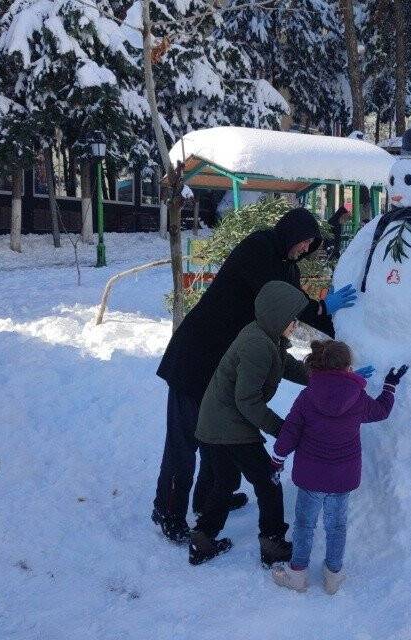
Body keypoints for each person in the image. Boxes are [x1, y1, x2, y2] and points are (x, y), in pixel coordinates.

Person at [152, 207, 358, 544]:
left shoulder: (288, 269)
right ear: (291, 233)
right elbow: (284, 305)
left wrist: (334, 349)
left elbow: (293, 323)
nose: (306, 250)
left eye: (311, 245)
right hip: (197, 356)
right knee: (185, 441)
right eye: (304, 241)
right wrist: (321, 309)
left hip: (227, 364)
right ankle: (168, 510)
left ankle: (208, 499)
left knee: (216, 435)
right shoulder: (259, 249)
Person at [189, 281, 314, 567]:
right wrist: (283, 430)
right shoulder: (258, 344)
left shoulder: (267, 336)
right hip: (229, 423)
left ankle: (203, 539)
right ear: (277, 316)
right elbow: (247, 401)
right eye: (292, 319)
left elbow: (285, 366)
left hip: (216, 420)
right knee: (268, 482)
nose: (296, 325)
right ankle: (272, 544)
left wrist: (319, 376)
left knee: (224, 482)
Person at [268, 341, 406, 594]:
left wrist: (277, 458)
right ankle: (333, 575)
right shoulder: (357, 397)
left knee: (304, 525)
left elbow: (290, 430)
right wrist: (389, 386)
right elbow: (381, 411)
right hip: (342, 477)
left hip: (310, 476)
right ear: (347, 366)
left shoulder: (308, 395)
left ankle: (297, 574)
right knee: (336, 526)